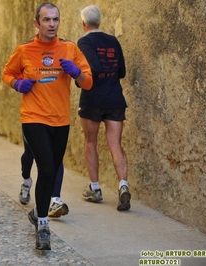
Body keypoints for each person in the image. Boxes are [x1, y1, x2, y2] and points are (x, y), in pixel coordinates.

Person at [2, 2, 92, 250]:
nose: (52, 24)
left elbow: (88, 83)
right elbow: (7, 73)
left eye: (55, 20)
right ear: (36, 23)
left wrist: (76, 73)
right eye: (47, 20)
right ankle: (43, 226)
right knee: (46, 166)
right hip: (33, 117)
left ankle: (37, 212)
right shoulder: (24, 50)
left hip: (60, 120)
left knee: (51, 171)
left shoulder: (70, 48)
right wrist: (17, 84)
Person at [77, 5, 131, 211]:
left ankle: (95, 188)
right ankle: (123, 185)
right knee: (115, 145)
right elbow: (122, 71)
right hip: (114, 99)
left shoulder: (84, 41)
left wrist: (78, 78)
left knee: (90, 142)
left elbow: (94, 68)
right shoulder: (113, 41)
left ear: (84, 23)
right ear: (99, 21)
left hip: (92, 99)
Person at [20, 138, 69, 218]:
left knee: (56, 156)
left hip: (54, 125)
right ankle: (26, 181)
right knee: (29, 154)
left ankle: (55, 199)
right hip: (33, 126)